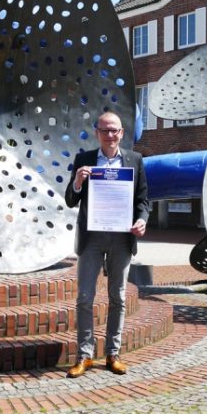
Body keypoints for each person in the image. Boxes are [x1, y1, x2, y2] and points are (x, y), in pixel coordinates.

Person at [64, 112, 149, 378]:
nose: (110, 135)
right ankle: (84, 356)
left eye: (114, 131)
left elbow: (144, 200)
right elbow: (70, 200)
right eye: (105, 130)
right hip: (91, 239)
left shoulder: (135, 161)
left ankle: (113, 354)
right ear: (97, 132)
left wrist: (142, 220)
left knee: (118, 298)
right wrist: (78, 182)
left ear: (122, 133)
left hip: (122, 238)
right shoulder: (84, 160)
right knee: (85, 298)